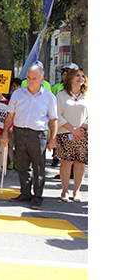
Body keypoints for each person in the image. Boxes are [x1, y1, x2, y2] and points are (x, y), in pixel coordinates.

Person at [2, 65, 59, 210]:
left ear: (42, 79)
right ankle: (25, 193)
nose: (30, 81)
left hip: (38, 134)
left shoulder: (49, 97)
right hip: (19, 132)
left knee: (38, 167)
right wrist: (5, 133)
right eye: (28, 78)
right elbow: (10, 116)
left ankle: (37, 197)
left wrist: (53, 138)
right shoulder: (17, 94)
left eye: (34, 78)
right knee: (22, 165)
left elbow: (53, 120)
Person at [54, 67, 87, 202]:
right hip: (65, 132)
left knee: (80, 163)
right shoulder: (61, 95)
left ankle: (77, 191)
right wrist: (72, 129)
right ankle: (65, 190)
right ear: (70, 78)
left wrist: (82, 129)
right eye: (77, 75)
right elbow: (57, 115)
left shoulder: (88, 95)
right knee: (66, 162)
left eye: (82, 76)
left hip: (83, 134)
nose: (80, 78)